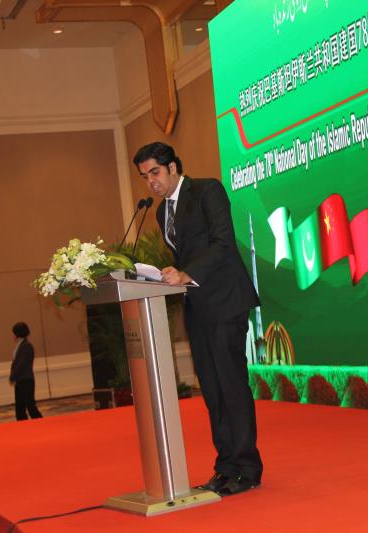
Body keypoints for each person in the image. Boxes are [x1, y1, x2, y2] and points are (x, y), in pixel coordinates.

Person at [133, 142, 262, 495]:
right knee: (212, 390)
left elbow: (222, 243)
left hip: (226, 301)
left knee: (231, 385)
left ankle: (248, 468)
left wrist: (186, 274)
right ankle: (226, 466)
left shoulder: (207, 191)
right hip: (198, 307)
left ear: (173, 167)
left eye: (155, 172)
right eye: (144, 176)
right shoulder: (161, 212)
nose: (151, 182)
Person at [9, 322, 42, 421]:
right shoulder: (20, 345)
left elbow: (21, 365)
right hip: (20, 381)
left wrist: (13, 376)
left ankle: (43, 424)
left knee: (31, 407)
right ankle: (24, 427)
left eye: (14, 333)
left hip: (26, 380)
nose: (13, 335)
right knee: (20, 409)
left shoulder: (26, 346)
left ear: (17, 334)